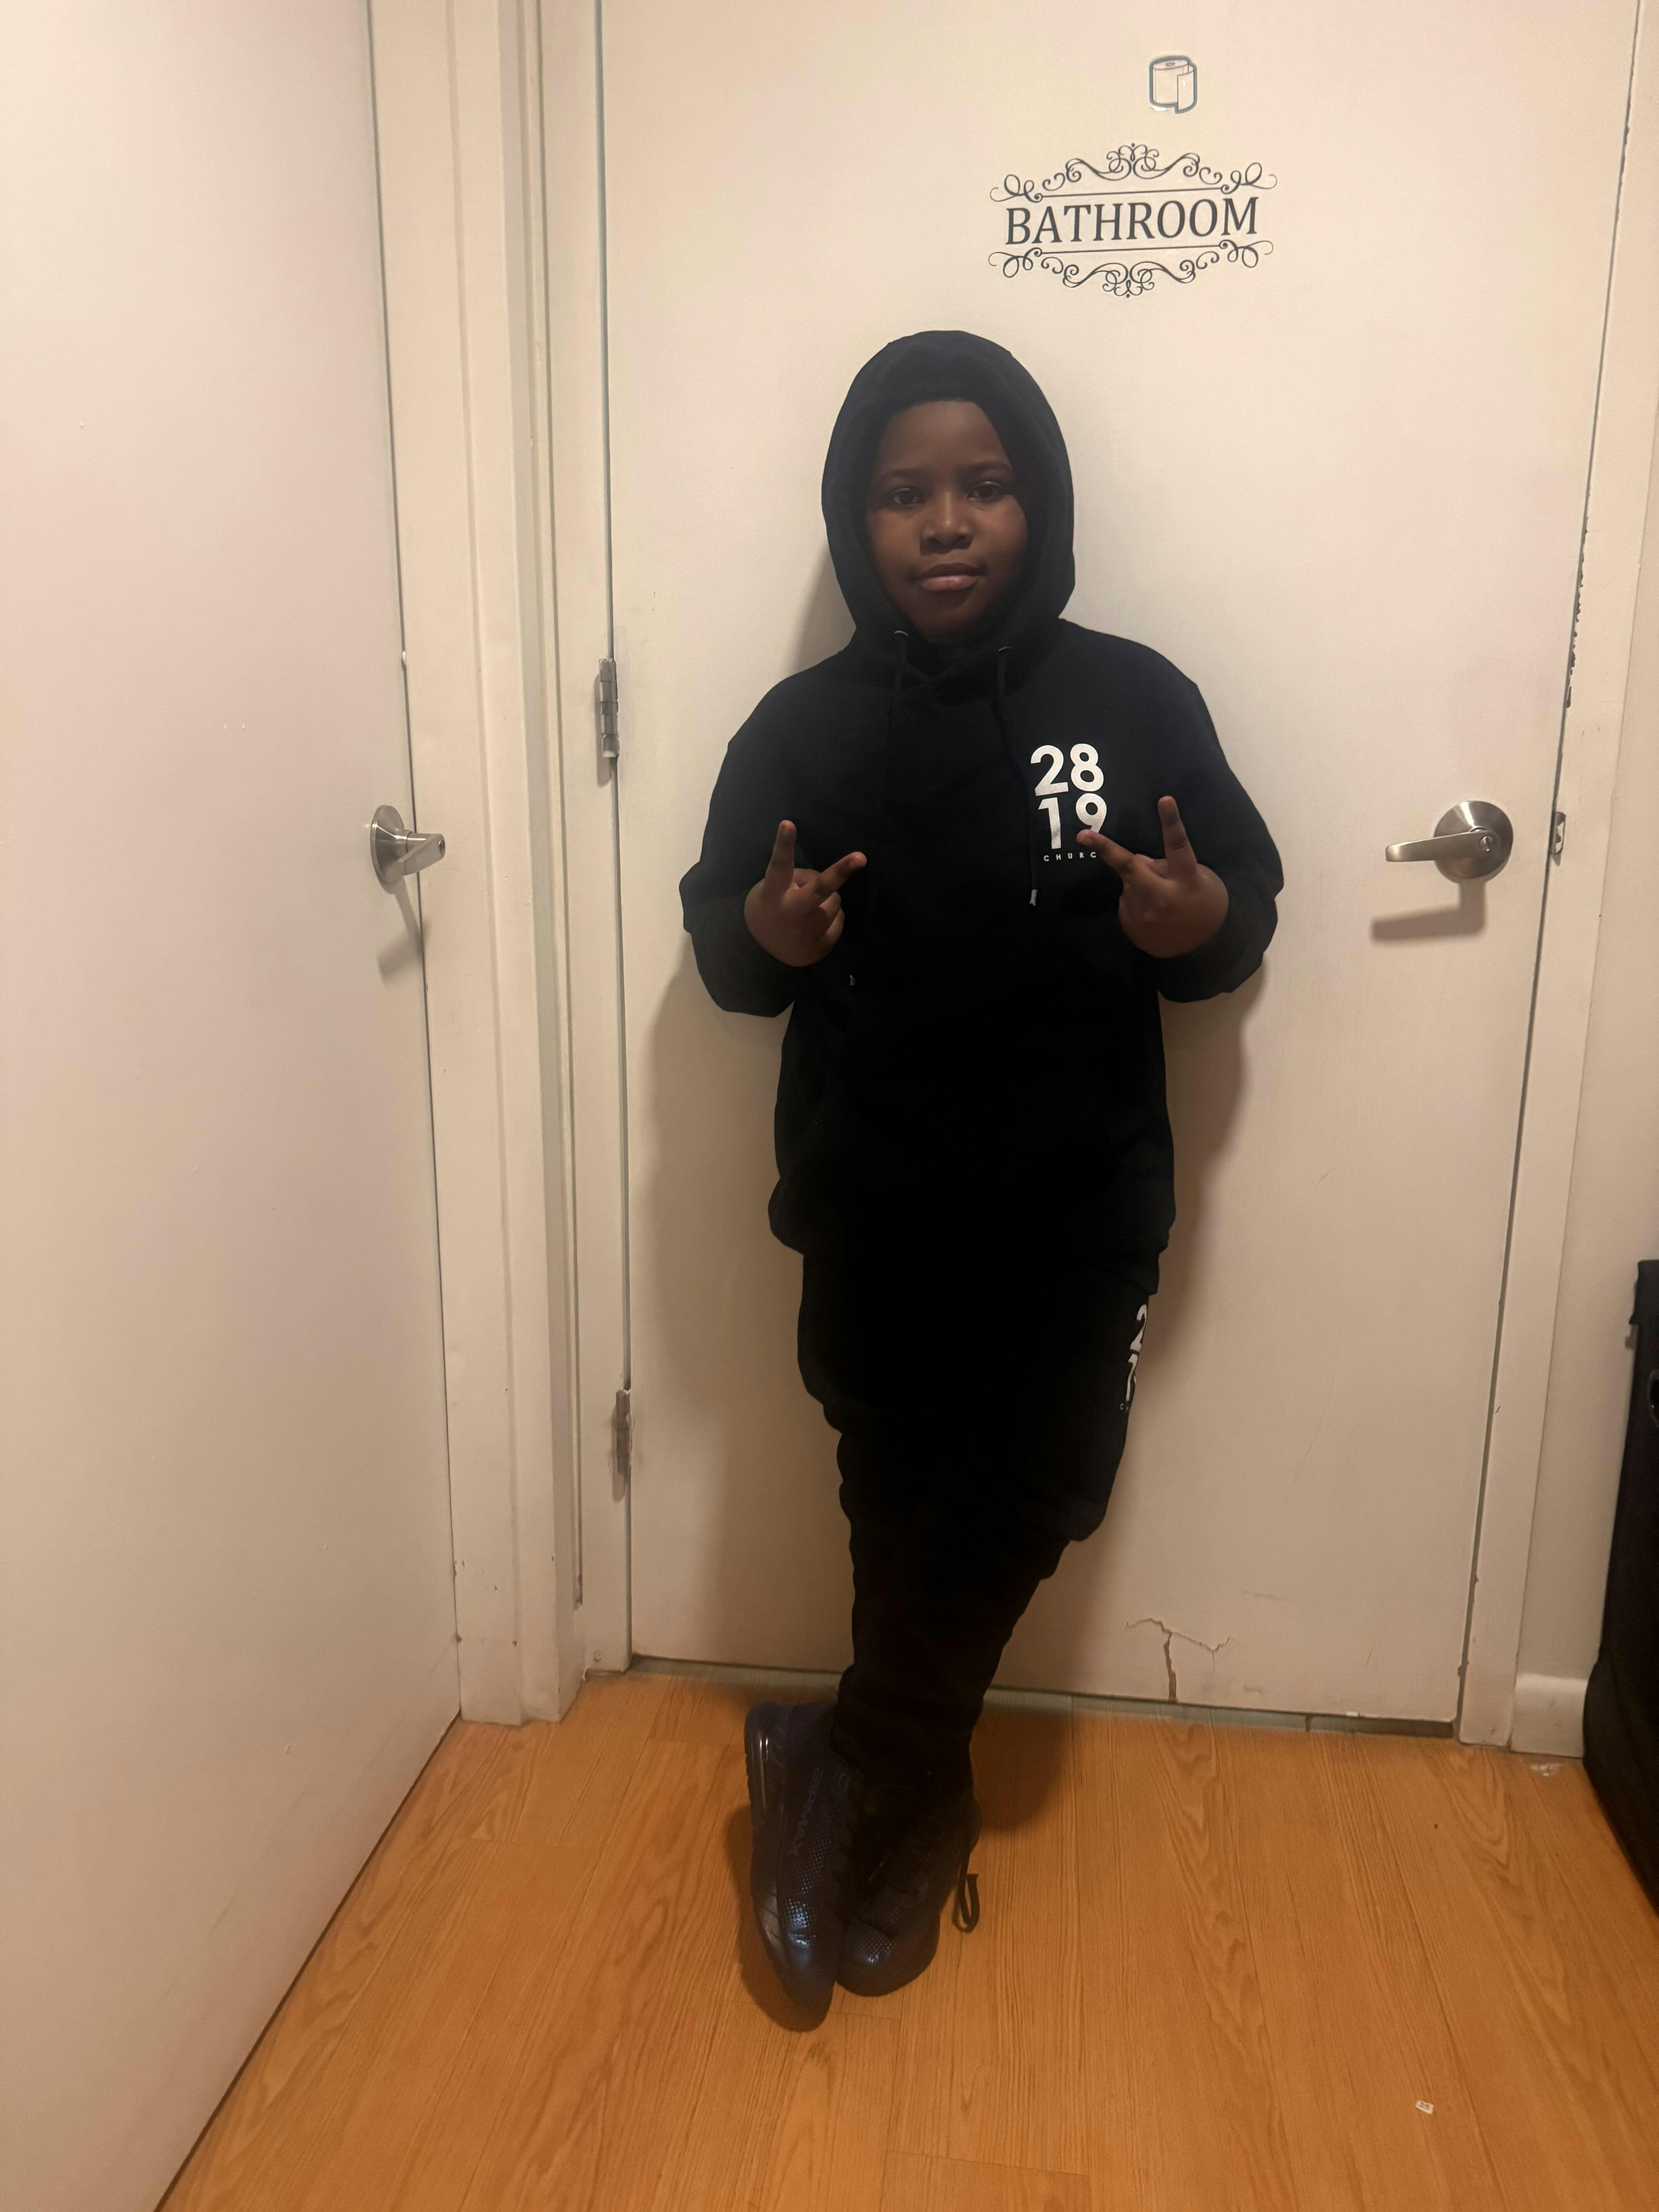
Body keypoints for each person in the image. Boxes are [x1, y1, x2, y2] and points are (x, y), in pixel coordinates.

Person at [679, 330, 1281, 2005]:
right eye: (903, 494)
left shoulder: (1134, 698)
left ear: (1039, 502)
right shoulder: (799, 729)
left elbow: (1239, 904)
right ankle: (909, 1794)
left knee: (1039, 1487)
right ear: (855, 518)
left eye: (985, 486)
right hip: (872, 1199)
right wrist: (771, 930)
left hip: (1079, 1204)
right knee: (897, 1499)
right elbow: (723, 948)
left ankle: (843, 1761)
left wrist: (1194, 917)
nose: (945, 522)